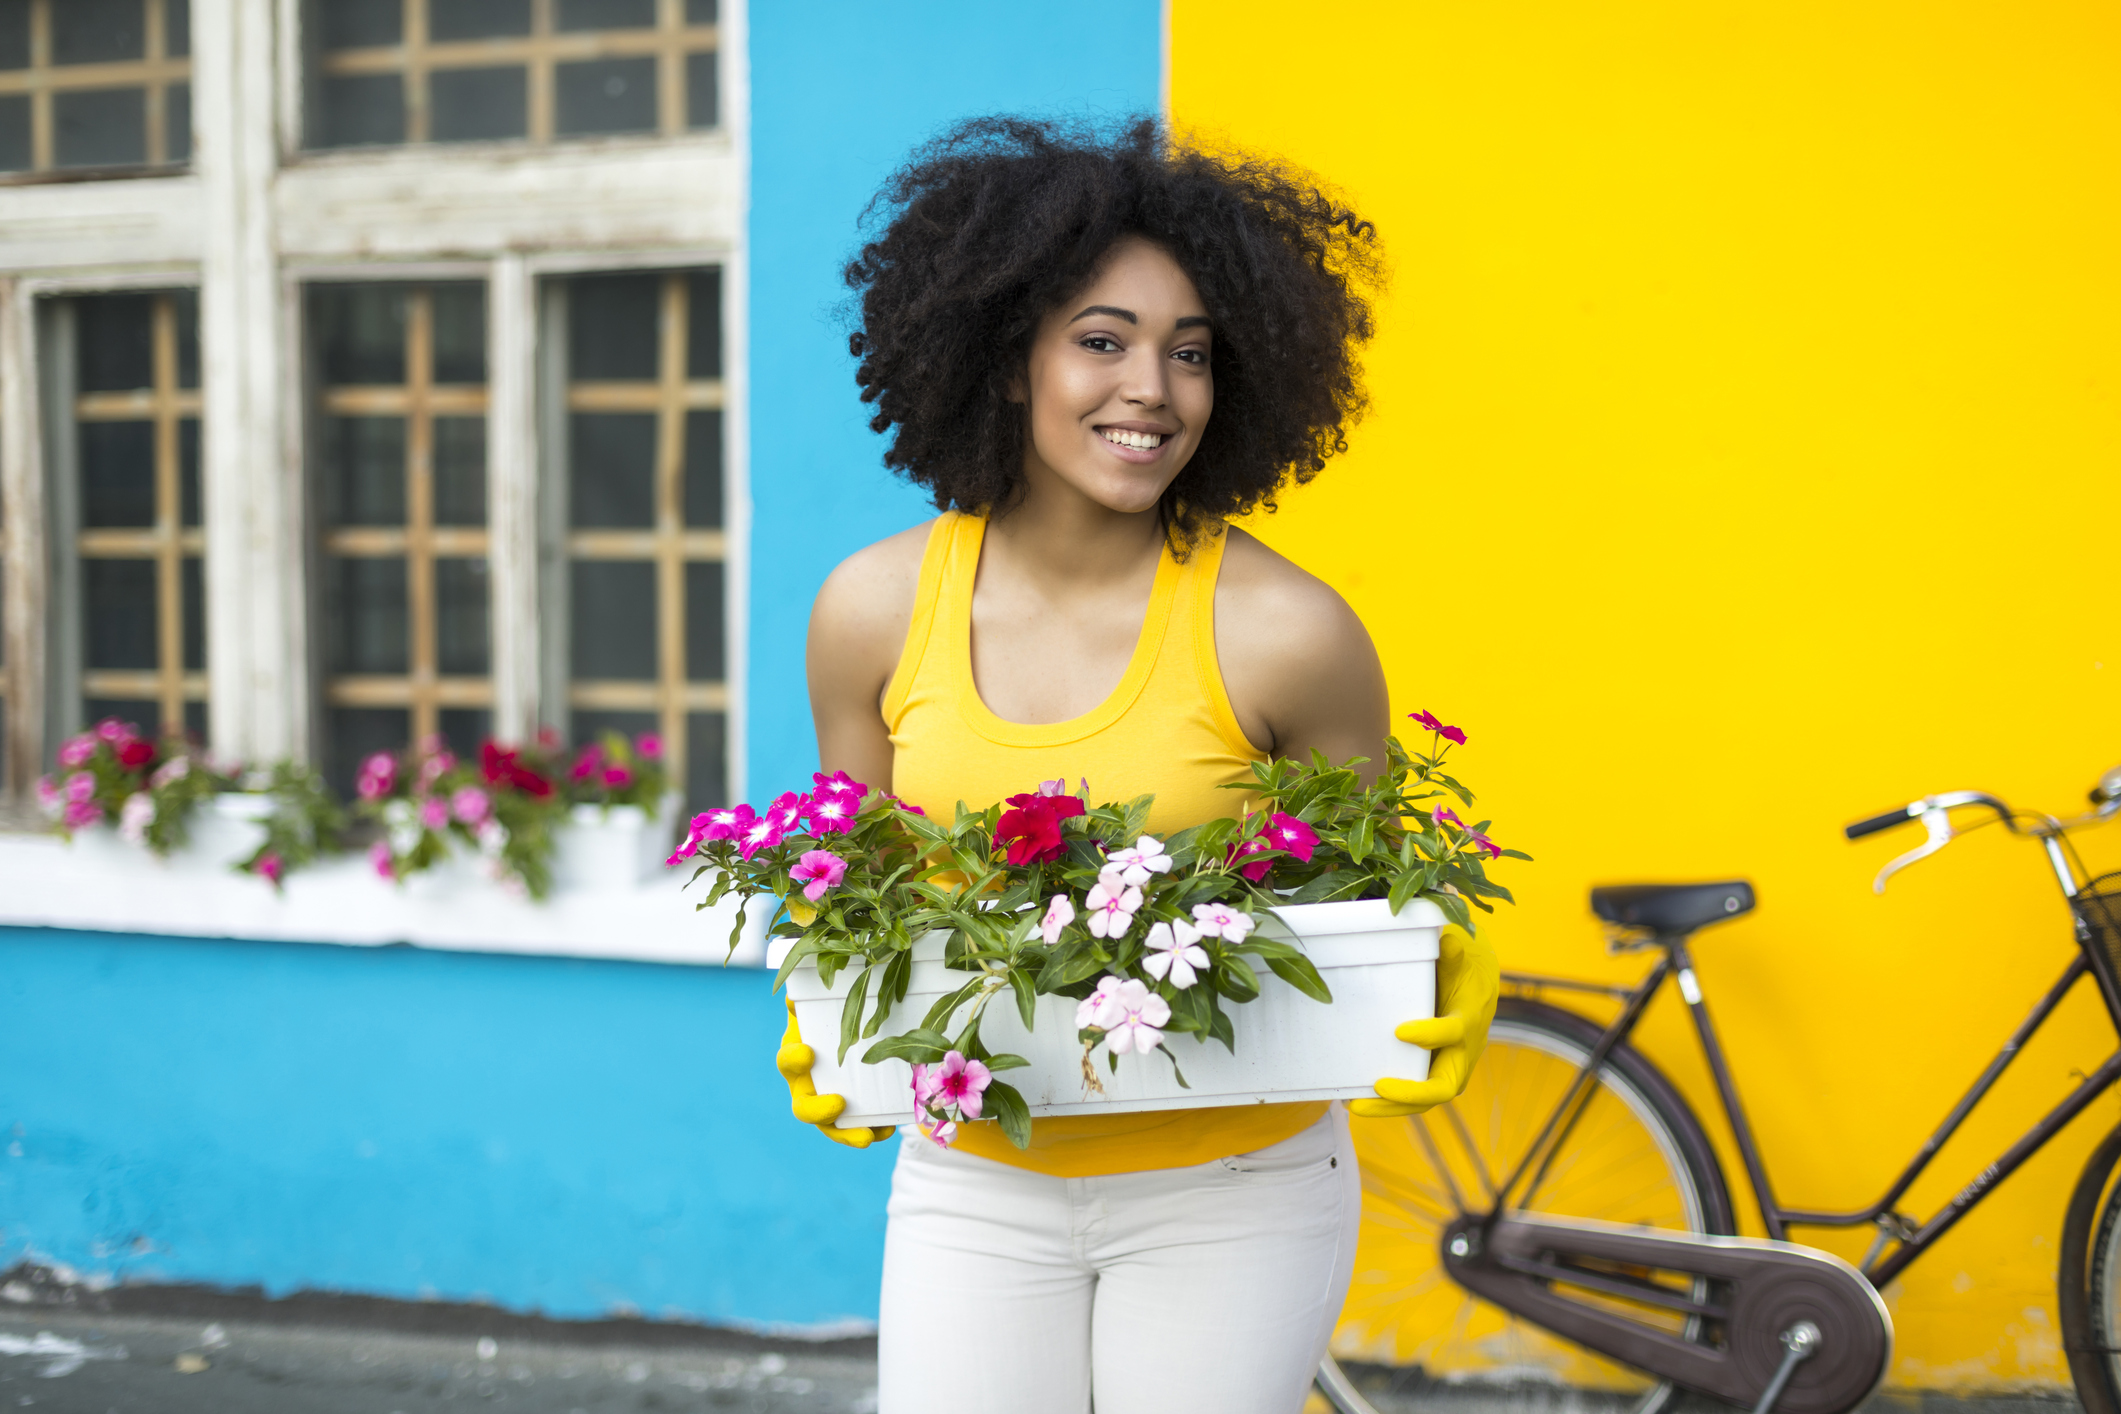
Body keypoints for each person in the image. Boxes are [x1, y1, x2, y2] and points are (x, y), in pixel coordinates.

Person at [775, 117, 1501, 1414]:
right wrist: (829, 1019)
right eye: (1100, 340)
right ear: (1007, 360)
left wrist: (1428, 964)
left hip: (1231, 1190)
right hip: (974, 1174)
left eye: (1190, 353)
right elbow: (855, 891)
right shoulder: (871, 612)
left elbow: (1363, 914)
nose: (1151, 391)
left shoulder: (1289, 633)